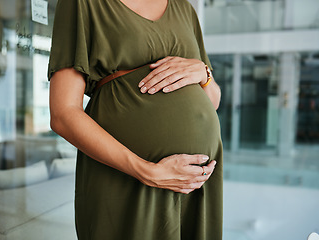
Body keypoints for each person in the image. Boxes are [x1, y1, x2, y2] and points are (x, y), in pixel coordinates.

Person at [47, 0, 223, 239]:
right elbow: (63, 114)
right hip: (126, 176)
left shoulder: (185, 9)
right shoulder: (83, 4)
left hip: (192, 184)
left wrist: (204, 74)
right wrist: (148, 172)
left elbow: (212, 101)